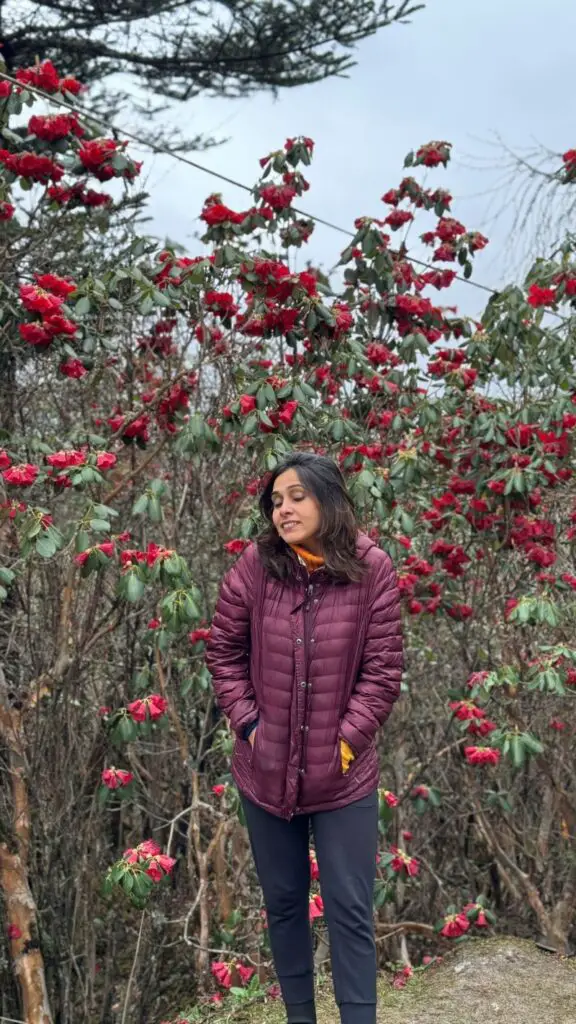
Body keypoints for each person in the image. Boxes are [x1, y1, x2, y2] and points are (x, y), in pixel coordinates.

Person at [206, 452, 403, 1024]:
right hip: (265, 771)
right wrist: (249, 726)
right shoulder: (255, 566)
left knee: (349, 908)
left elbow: (383, 671)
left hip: (343, 776)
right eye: (275, 501)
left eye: (296, 496)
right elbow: (223, 653)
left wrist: (345, 741)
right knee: (285, 905)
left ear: (329, 499)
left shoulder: (373, 569)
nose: (283, 509)